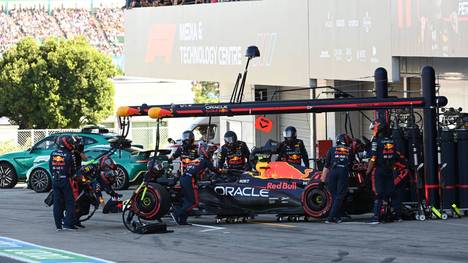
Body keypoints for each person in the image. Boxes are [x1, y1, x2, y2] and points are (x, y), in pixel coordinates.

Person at [366, 120, 406, 224]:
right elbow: (396, 155)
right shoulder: (391, 141)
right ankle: (398, 216)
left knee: (378, 194)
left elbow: (373, 158)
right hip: (390, 170)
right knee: (392, 194)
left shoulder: (376, 141)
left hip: (379, 170)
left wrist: (368, 172)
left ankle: (376, 218)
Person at [174, 142, 218, 225]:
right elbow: (215, 170)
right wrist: (224, 171)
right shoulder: (205, 160)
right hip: (190, 179)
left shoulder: (197, 159)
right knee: (194, 202)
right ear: (205, 151)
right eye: (210, 151)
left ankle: (182, 220)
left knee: (187, 201)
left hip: (184, 178)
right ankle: (178, 213)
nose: (211, 153)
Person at [320, 134, 354, 223]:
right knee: (340, 196)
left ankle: (337, 216)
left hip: (332, 173)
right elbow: (352, 165)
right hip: (343, 173)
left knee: (334, 196)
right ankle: (331, 217)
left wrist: (322, 181)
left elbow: (326, 166)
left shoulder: (331, 150)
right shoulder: (349, 150)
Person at [49, 135, 77, 231]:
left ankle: (58, 226)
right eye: (70, 142)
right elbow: (73, 169)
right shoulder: (69, 155)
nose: (71, 144)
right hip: (65, 180)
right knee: (70, 202)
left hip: (55, 180)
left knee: (57, 203)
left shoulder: (53, 153)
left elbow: (50, 167)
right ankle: (68, 224)